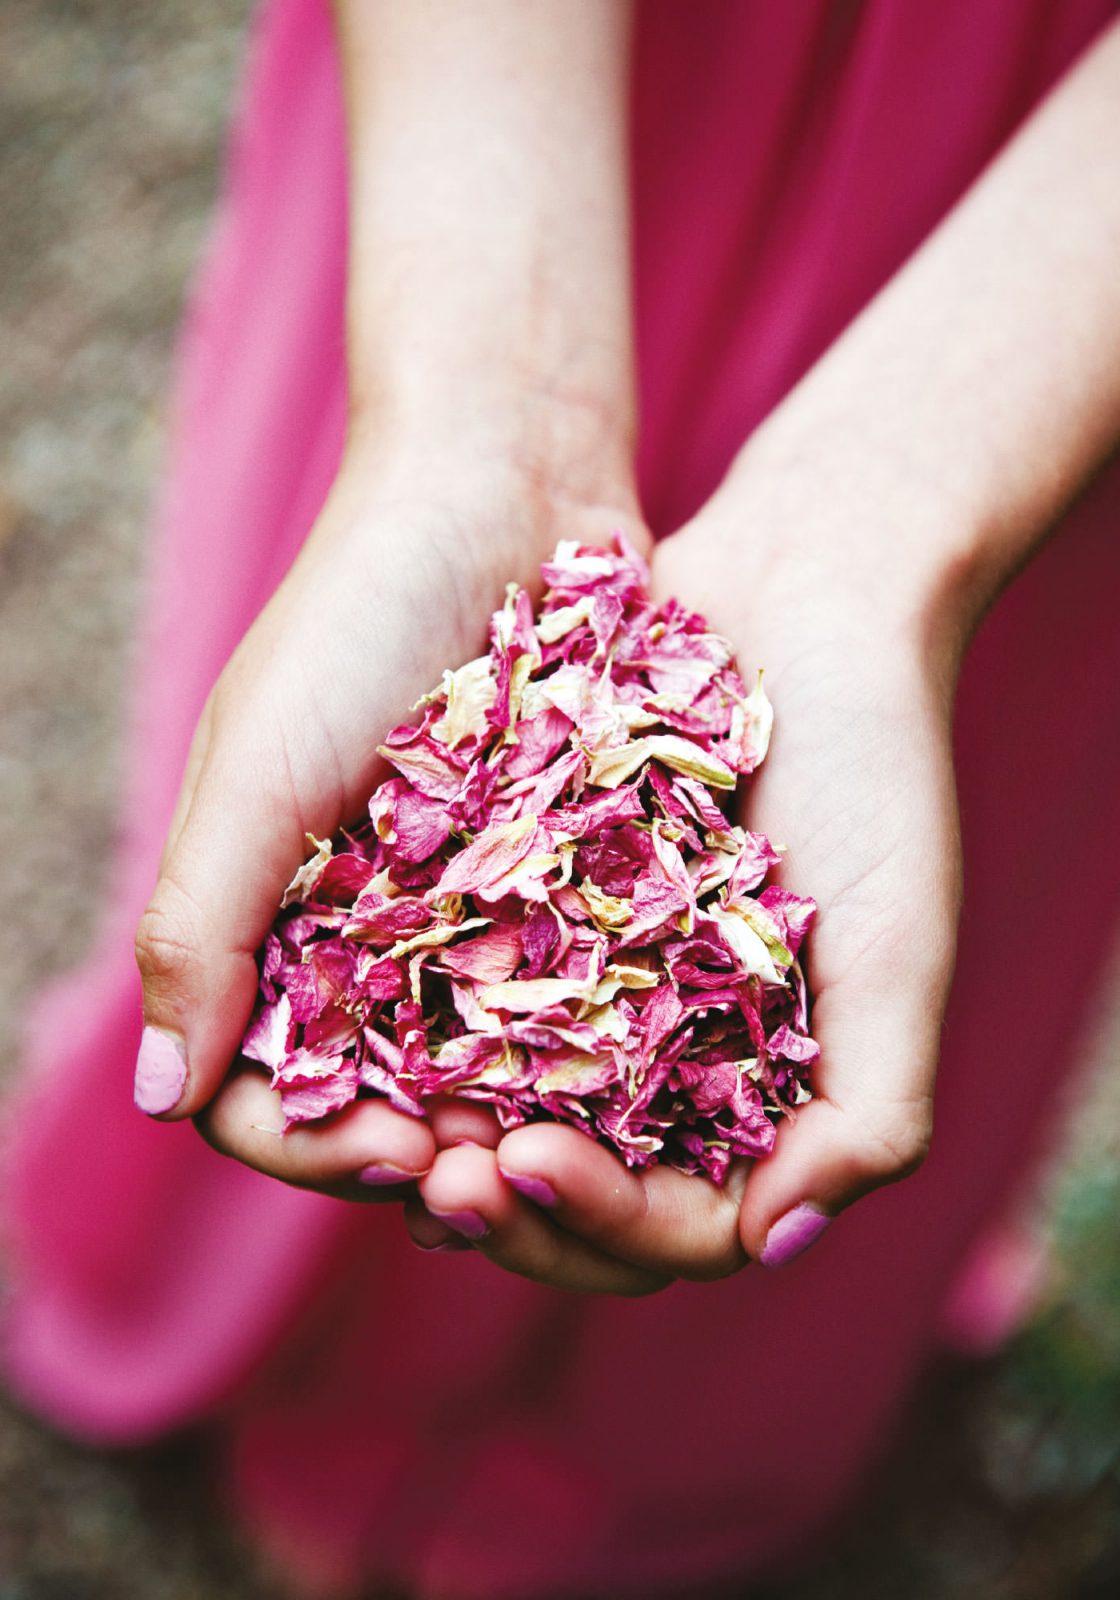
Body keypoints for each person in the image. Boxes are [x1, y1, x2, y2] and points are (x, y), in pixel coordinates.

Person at [5, 1, 1120, 1594]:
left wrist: (905, 501)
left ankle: (634, 1459)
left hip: (1067, 283)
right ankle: (245, 1331)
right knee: (281, 815)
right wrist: (480, 397)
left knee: (983, 774)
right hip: (502, 128)